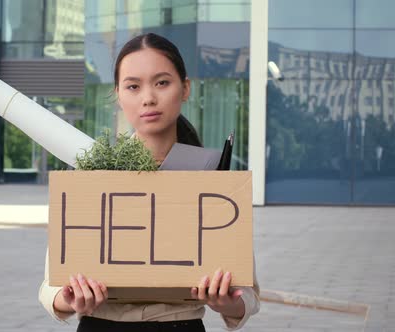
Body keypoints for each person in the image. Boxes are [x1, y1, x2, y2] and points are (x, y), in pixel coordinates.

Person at [39, 33, 260, 331]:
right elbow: (49, 287)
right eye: (133, 86)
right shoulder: (92, 174)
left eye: (162, 83)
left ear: (185, 89)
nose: (148, 98)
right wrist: (70, 298)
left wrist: (225, 301)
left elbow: (248, 295)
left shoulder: (212, 178)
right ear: (118, 94)